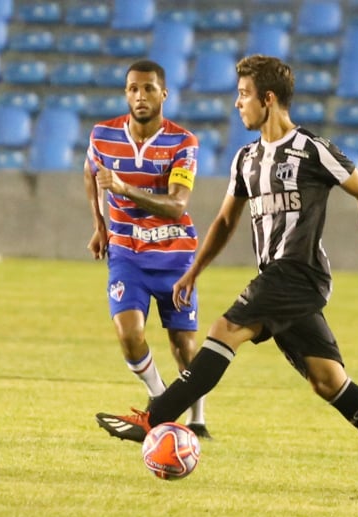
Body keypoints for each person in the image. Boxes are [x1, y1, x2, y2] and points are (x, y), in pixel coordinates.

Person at [96, 54, 358, 495]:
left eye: (243, 95)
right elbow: (223, 222)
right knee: (327, 380)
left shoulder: (310, 149)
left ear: (268, 99)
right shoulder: (246, 158)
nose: (237, 104)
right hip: (280, 280)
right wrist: (193, 272)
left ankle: (154, 417)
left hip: (297, 273)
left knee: (225, 329)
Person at [83, 59, 211, 438]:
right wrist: (99, 223)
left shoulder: (182, 142)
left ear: (163, 94)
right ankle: (162, 403)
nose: (140, 96)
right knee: (128, 332)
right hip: (127, 252)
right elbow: (90, 174)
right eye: (133, 89)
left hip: (175, 255)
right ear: (126, 93)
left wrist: (123, 189)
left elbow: (177, 204)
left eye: (148, 89)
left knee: (184, 346)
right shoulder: (102, 135)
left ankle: (197, 419)